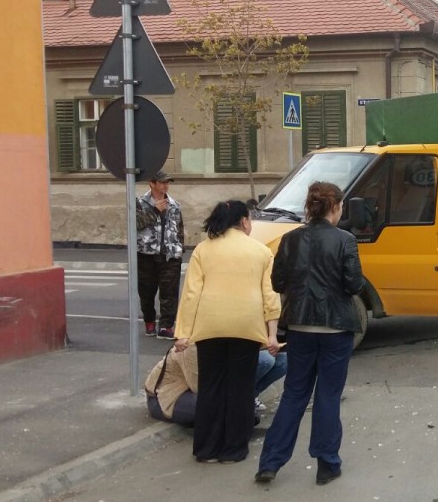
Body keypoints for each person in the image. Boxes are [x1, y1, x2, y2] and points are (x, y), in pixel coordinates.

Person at [256, 182, 363, 486]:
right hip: (335, 327)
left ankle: (270, 463)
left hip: (300, 326)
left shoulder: (289, 240)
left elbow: (277, 283)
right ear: (336, 207)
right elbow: (354, 285)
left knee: (294, 394)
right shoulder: (345, 240)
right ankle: (326, 464)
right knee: (328, 394)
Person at [174, 200, 281, 464]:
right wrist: (272, 334)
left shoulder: (203, 250)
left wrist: (183, 333)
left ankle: (206, 449)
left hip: (210, 327)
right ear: (244, 221)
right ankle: (234, 449)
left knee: (211, 387)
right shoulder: (261, 251)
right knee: (240, 388)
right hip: (246, 326)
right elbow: (270, 296)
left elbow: (190, 294)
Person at [144, 345, 288, 426]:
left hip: (203, 388)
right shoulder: (191, 346)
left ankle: (239, 405)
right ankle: (235, 410)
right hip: (165, 397)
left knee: (281, 360)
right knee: (221, 408)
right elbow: (200, 387)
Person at [136, 170, 185, 339]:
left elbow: (179, 228)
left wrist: (179, 248)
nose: (166, 186)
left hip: (170, 255)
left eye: (168, 183)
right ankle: (149, 321)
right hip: (146, 254)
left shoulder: (174, 204)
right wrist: (155, 211)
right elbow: (135, 224)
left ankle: (166, 326)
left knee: (169, 293)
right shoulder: (140, 203)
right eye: (162, 182)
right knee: (146, 292)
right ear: (152, 183)